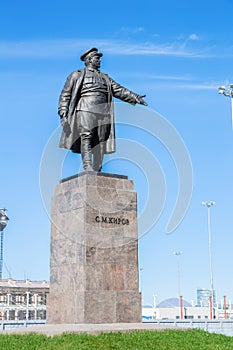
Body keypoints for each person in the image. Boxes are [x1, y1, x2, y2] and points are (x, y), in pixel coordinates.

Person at [58, 47, 147, 172]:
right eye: (97, 58)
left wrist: (135, 97)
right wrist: (63, 111)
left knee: (101, 141)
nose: (99, 60)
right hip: (85, 109)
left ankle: (97, 168)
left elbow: (119, 90)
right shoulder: (77, 74)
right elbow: (65, 94)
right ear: (89, 59)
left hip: (103, 111)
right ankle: (88, 167)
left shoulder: (105, 78)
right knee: (86, 136)